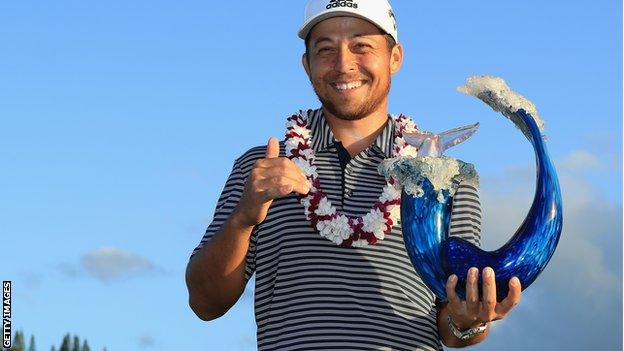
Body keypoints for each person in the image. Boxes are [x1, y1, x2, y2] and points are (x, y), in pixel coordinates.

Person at [185, 0, 522, 350]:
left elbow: (453, 325)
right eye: (326, 49)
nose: (344, 65)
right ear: (307, 64)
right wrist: (242, 218)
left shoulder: (446, 177)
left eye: (362, 46)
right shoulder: (261, 168)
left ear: (395, 57)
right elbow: (205, 304)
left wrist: (469, 320)